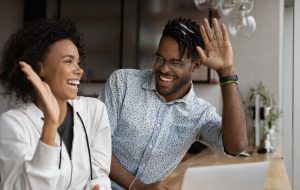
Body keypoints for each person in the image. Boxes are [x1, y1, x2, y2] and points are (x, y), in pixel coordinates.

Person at [100, 17, 248, 190]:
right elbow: (97, 144)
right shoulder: (123, 83)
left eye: (175, 63)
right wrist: (137, 187)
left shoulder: (199, 114)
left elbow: (236, 146)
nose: (163, 68)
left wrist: (226, 71)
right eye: (160, 58)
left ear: (196, 65)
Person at [0, 18, 112, 190]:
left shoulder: (95, 111)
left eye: (78, 62)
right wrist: (50, 125)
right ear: (39, 68)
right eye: (68, 61)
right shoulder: (13, 124)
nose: (79, 70)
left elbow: (99, 175)